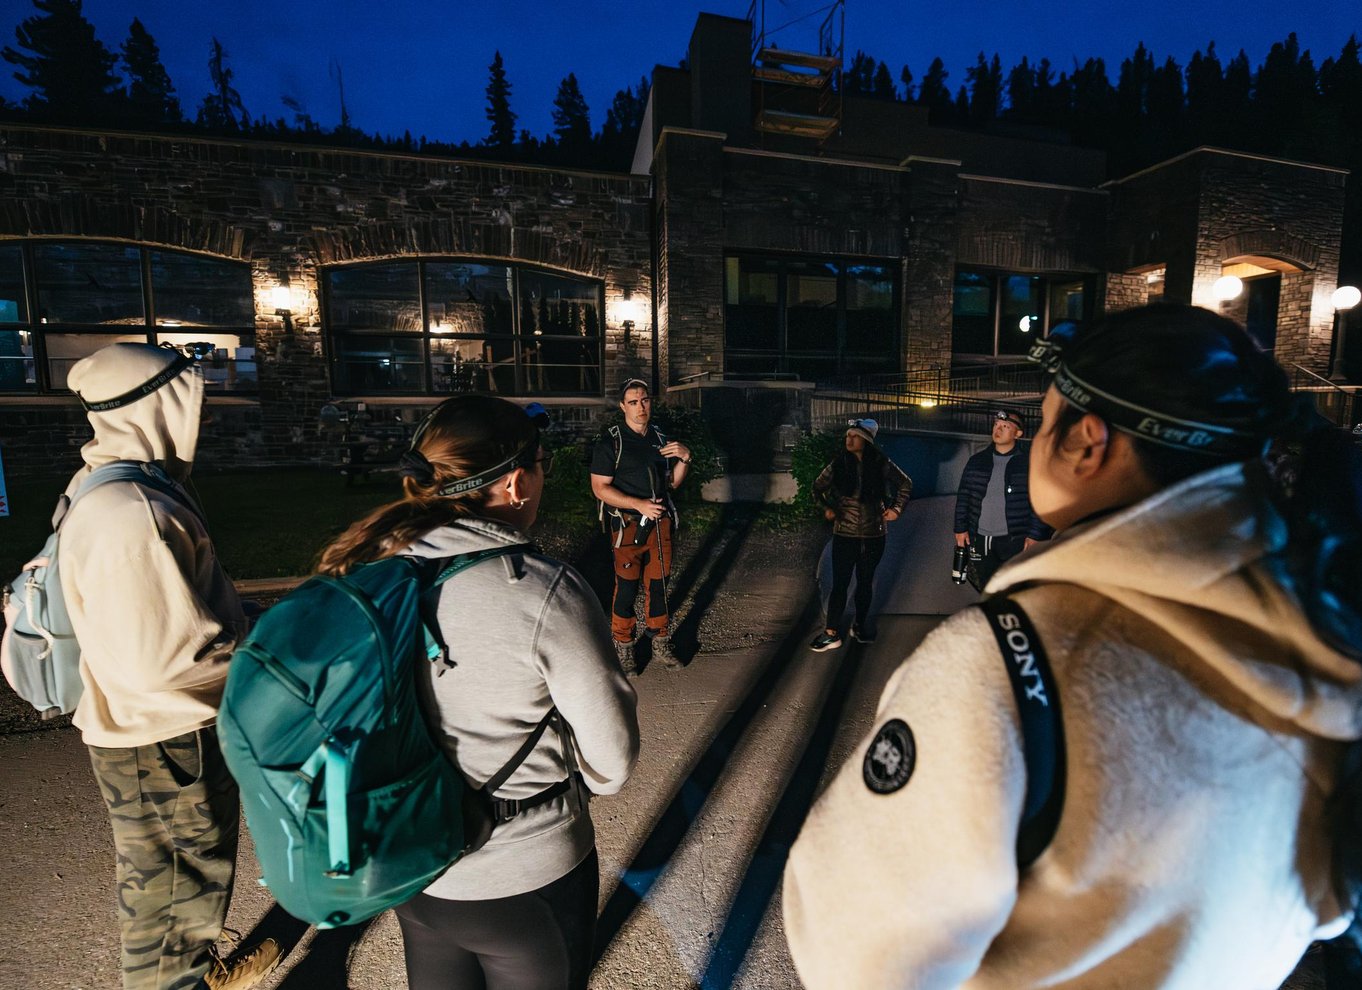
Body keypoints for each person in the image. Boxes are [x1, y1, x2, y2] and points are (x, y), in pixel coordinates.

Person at [782, 304, 1362, 989]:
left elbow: (856, 953)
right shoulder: (1328, 642)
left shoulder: (1006, 659)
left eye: (1041, 417)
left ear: (1088, 442)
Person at [317, 394, 639, 990]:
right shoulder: (542, 593)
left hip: (416, 870)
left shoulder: (373, 568)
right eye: (541, 464)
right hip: (525, 873)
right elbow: (613, 762)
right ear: (517, 483)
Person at [59, 343, 279, 990]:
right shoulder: (136, 516)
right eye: (190, 402)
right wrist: (266, 645)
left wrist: (236, 608)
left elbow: (156, 610)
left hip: (134, 728)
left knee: (170, 881)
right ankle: (181, 975)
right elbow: (169, 667)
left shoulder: (110, 485)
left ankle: (196, 961)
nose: (202, 418)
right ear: (154, 407)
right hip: (163, 736)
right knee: (175, 891)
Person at [589, 378, 692, 671]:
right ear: (623, 406)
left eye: (644, 400)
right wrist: (638, 504)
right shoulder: (611, 442)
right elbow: (600, 488)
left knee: (659, 585)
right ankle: (624, 647)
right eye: (633, 402)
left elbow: (671, 483)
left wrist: (685, 457)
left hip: (659, 525)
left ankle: (660, 641)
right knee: (626, 588)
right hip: (627, 525)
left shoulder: (659, 439)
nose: (640, 406)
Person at [808, 418, 911, 651]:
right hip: (845, 533)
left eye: (854, 436)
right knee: (840, 583)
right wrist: (826, 508)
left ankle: (860, 625)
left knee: (865, 582)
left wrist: (896, 509)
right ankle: (831, 633)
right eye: (847, 436)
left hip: (874, 534)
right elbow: (816, 488)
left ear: (866, 440)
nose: (849, 439)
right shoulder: (838, 464)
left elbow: (905, 483)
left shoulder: (881, 463)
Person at [953, 408, 1051, 588]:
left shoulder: (1030, 463)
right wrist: (960, 528)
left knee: (1014, 587)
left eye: (1005, 426)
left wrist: (1035, 534)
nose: (997, 430)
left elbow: (1042, 501)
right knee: (986, 586)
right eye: (996, 425)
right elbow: (964, 495)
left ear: (1018, 433)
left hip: (1016, 539)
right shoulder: (977, 461)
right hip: (981, 537)